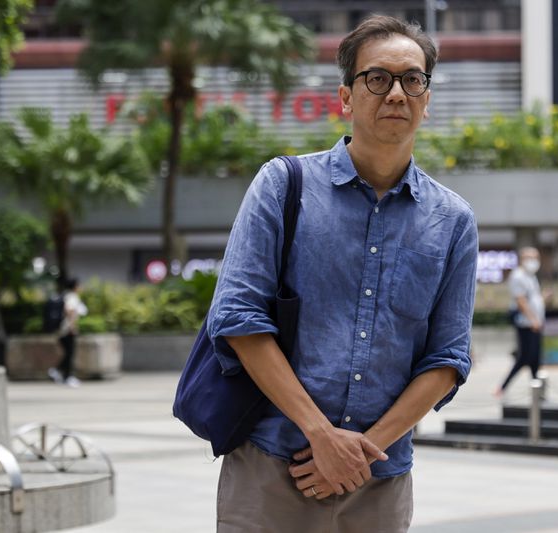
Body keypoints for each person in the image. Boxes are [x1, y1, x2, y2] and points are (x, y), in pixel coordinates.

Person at [208, 15, 478, 533]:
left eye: (412, 80)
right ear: (346, 97)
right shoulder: (283, 185)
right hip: (271, 467)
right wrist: (322, 436)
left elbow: (448, 358)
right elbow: (239, 318)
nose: (396, 93)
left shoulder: (453, 221)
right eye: (378, 79)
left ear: (427, 98)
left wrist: (360, 453)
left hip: (379, 483)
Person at [495, 247, 546, 397]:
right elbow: (521, 301)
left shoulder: (531, 276)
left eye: (535, 258)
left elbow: (532, 299)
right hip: (526, 324)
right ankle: (502, 387)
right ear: (522, 259)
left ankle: (538, 390)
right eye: (529, 258)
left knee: (535, 358)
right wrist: (533, 320)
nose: (533, 261)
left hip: (535, 323)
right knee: (525, 357)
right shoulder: (518, 276)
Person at [47, 278, 87, 388]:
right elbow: (69, 310)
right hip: (67, 329)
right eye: (79, 285)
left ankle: (57, 371)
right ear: (75, 286)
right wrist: (73, 326)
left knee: (68, 353)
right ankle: (67, 376)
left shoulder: (65, 295)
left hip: (62, 329)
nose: (80, 287)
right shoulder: (72, 297)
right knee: (70, 353)